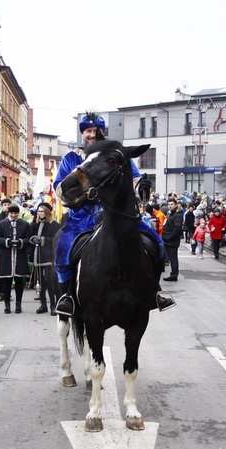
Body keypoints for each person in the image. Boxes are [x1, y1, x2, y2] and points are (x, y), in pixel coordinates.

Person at [53, 112, 173, 315]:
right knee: (63, 249)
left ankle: (155, 291)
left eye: (95, 130)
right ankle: (68, 296)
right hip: (83, 216)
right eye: (88, 131)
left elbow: (134, 180)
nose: (92, 134)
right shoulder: (71, 158)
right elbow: (59, 186)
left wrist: (142, 185)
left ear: (102, 131)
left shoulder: (116, 154)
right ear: (83, 133)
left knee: (157, 244)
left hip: (116, 214)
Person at [0, 203, 31, 314]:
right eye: (11, 213)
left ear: (18, 213)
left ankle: (18, 304)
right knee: (6, 280)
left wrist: (20, 242)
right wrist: (7, 242)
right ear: (8, 213)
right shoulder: (2, 223)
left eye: (15, 213)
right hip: (6, 255)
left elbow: (28, 239)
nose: (13, 215)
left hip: (19, 255)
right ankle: (7, 304)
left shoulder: (24, 224)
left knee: (19, 280)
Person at [30, 202, 61, 315]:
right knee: (40, 282)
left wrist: (43, 240)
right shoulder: (35, 224)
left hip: (49, 256)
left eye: (42, 211)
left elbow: (56, 239)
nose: (39, 213)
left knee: (50, 281)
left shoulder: (54, 225)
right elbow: (30, 236)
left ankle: (53, 304)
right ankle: (43, 304)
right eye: (38, 211)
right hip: (38, 257)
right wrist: (33, 239)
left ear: (47, 212)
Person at [162, 198, 183, 281]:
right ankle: (173, 274)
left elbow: (177, 229)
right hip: (167, 239)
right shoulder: (171, 213)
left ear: (176, 205)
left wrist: (169, 237)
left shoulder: (178, 215)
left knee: (173, 258)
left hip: (172, 240)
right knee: (171, 258)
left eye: (172, 204)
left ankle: (174, 275)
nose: (170, 206)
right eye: (169, 204)